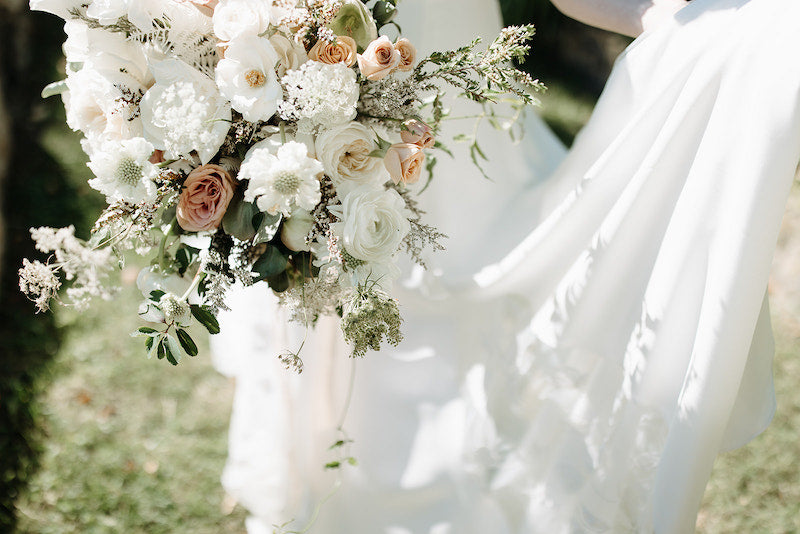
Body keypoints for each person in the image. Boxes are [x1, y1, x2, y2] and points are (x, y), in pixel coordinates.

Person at [212, 0, 800, 532]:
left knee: (435, 278)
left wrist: (655, 16)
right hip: (289, 91)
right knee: (330, 268)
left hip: (452, 116)